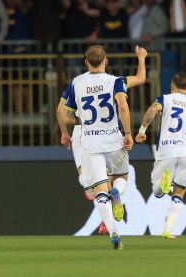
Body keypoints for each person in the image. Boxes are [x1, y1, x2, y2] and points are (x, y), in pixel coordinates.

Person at [57, 45, 147, 235]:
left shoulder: (76, 83)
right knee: (121, 178)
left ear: (85, 62)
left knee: (99, 191)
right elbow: (126, 101)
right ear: (106, 61)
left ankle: (113, 232)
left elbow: (64, 115)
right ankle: (117, 193)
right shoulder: (116, 81)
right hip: (114, 139)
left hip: (90, 142)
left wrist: (79, 122)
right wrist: (141, 58)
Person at [135, 72, 186, 239]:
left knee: (157, 191)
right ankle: (168, 229)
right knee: (179, 193)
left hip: (167, 150)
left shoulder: (165, 99)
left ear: (172, 85)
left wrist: (142, 131)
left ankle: (164, 183)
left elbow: (152, 110)